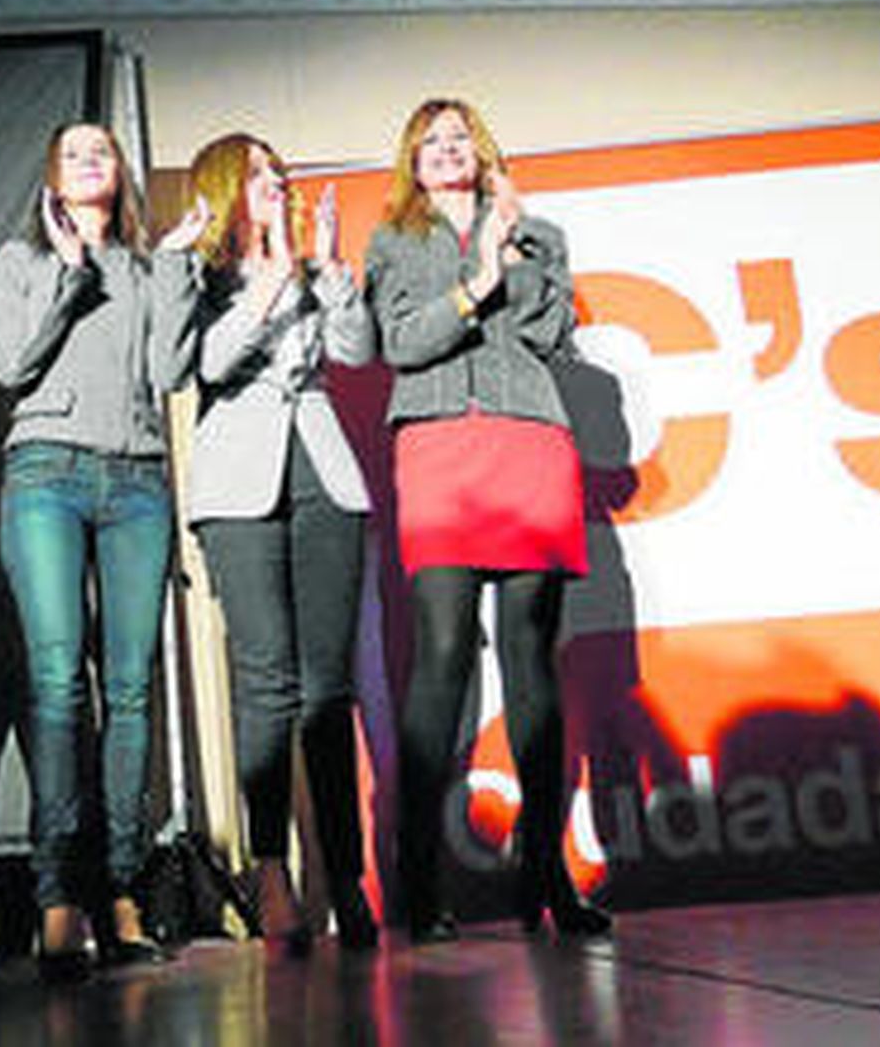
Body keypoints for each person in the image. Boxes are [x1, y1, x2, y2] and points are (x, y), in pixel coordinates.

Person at [363, 98, 612, 944]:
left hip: (530, 441)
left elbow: (548, 332)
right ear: (412, 161)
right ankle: (419, 881)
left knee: (530, 656)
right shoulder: (395, 238)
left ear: (482, 152)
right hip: (439, 448)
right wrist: (474, 285)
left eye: (457, 139)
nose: (444, 151)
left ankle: (544, 872)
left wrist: (515, 240)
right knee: (441, 654)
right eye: (428, 143)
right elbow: (401, 342)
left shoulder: (537, 231)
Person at [0, 122, 204, 980]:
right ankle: (55, 897)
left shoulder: (146, 268)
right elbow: (9, 363)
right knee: (56, 679)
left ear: (119, 175)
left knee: (132, 687)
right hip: (46, 472)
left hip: (139, 480)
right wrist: (70, 278)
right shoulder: (19, 263)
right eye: (73, 153)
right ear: (52, 176)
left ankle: (121, 886)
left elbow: (169, 369)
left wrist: (179, 271)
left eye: (102, 152)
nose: (89, 162)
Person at [182, 133, 378, 954]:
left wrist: (328, 270)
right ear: (229, 188)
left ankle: (347, 874)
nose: (274, 185)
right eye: (258, 174)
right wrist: (268, 282)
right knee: (267, 682)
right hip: (236, 486)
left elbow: (356, 351)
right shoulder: (195, 273)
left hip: (323, 475)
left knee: (328, 687)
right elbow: (209, 363)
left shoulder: (312, 271)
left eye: (280, 174)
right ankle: (271, 870)